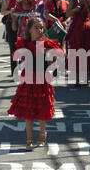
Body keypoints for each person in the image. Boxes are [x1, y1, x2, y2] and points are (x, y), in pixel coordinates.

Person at [8, 18, 63, 150]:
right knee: (29, 111)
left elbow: (59, 56)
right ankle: (29, 139)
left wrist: (48, 54)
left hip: (42, 79)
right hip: (28, 79)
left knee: (42, 109)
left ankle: (42, 136)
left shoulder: (46, 43)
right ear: (29, 30)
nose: (40, 30)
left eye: (41, 27)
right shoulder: (25, 44)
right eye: (37, 27)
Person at [1, 0, 24, 75]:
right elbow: (2, 11)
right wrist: (11, 11)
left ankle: (24, 70)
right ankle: (14, 71)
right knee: (13, 47)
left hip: (23, 24)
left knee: (24, 47)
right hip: (12, 23)